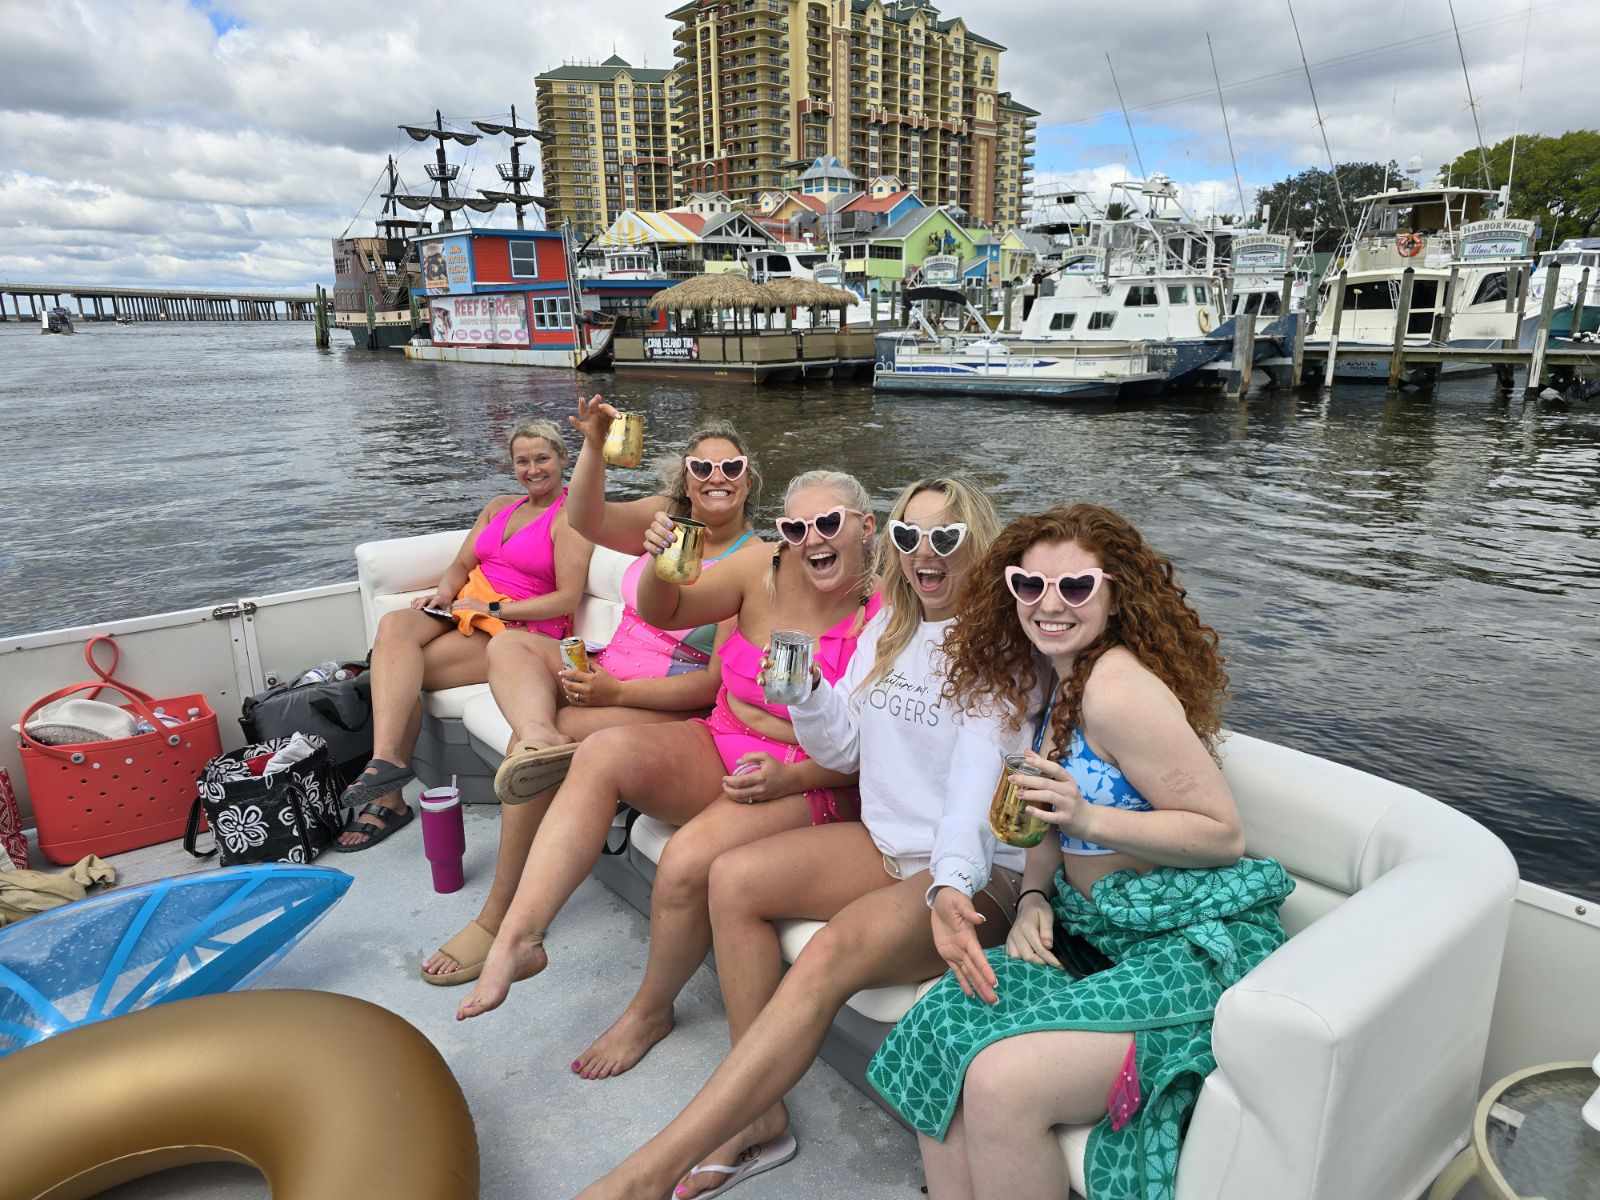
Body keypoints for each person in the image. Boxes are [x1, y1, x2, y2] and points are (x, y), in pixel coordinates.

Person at [571, 477, 1033, 1200]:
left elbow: (976, 780)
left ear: (979, 545)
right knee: (734, 880)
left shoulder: (1001, 647)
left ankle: (648, 1173)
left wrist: (946, 882)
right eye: (910, 538)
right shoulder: (895, 627)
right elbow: (847, 747)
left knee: (826, 954)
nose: (925, 555)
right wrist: (809, 693)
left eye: (945, 539)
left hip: (974, 876)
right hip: (887, 848)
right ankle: (760, 1116)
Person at [866, 503, 1294, 1200]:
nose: (1050, 604)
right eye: (1029, 586)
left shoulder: (1117, 691)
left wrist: (1089, 814)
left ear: (1115, 592)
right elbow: (1050, 826)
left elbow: (1222, 834)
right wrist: (1034, 895)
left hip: (1180, 949)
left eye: (1076, 587)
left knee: (1003, 1085)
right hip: (1095, 938)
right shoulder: (1064, 680)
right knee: (941, 1020)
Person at [455, 470, 884, 1089]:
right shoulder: (762, 568)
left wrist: (791, 781)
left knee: (685, 859)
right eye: (796, 526)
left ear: (865, 527)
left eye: (829, 523)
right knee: (600, 753)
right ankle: (519, 939)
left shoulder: (888, 611)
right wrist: (659, 563)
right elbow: (667, 608)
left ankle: (649, 1011)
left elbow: (884, 747)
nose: (811, 538)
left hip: (809, 777)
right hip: (721, 740)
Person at [420, 400, 766, 985]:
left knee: (567, 736)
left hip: (665, 695)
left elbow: (711, 685)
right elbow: (581, 517)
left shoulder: (753, 560)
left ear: (748, 479)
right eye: (701, 468)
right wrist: (594, 442)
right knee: (512, 649)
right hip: (610, 664)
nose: (716, 480)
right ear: (684, 476)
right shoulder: (662, 518)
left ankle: (499, 916)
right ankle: (534, 737)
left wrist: (617, 692)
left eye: (730, 469)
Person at [334, 420, 591, 851]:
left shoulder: (569, 520)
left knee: (395, 668)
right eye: (522, 461)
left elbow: (565, 600)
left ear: (563, 459)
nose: (533, 469)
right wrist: (444, 593)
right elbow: (460, 564)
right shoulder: (498, 507)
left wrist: (491, 609)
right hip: (466, 608)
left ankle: (389, 794)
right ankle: (388, 760)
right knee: (395, 626)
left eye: (542, 458)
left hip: (518, 629)